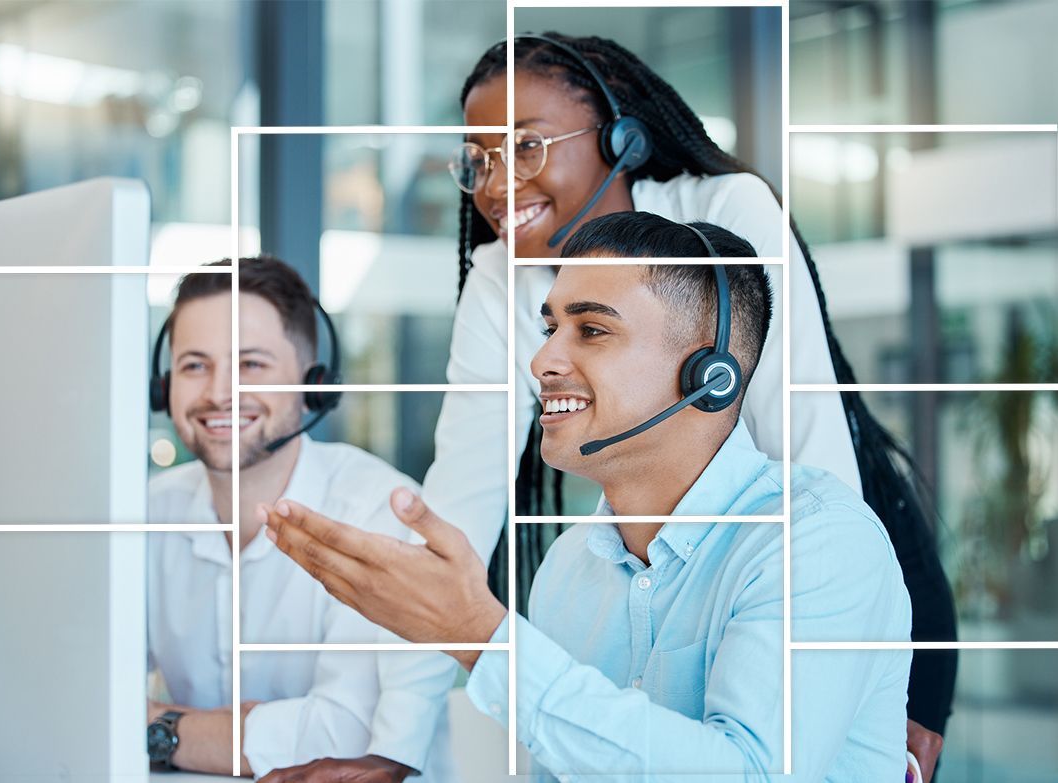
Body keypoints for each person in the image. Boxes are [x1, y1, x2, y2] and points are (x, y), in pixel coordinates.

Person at [425, 33, 955, 766]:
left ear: (621, 136)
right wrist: (387, 740)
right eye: (478, 160)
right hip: (680, 562)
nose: (494, 183)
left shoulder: (722, 215)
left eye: (526, 147)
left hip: (841, 546)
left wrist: (845, 685)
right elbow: (459, 498)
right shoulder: (497, 275)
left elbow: (806, 441)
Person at [263, 213, 914, 780]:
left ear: (708, 376)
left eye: (591, 330)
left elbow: (752, 774)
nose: (542, 360)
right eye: (549, 327)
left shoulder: (817, 542)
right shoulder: (569, 569)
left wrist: (481, 638)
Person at [146, 257, 454, 781]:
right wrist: (238, 733)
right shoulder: (150, 511)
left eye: (251, 365)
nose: (220, 393)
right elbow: (83, 695)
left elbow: (346, 738)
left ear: (313, 384)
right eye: (195, 365)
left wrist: (160, 728)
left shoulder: (381, 512)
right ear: (165, 385)